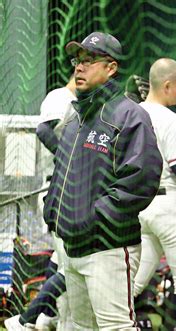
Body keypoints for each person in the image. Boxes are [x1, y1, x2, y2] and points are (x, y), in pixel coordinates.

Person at [42, 31, 162, 329]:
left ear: (111, 68)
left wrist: (91, 219)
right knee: (82, 326)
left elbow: (139, 182)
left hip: (107, 247)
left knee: (116, 327)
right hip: (72, 246)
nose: (79, 67)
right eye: (77, 60)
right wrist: (54, 208)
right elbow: (62, 169)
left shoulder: (129, 115)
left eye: (89, 60)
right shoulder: (75, 115)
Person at [5, 77, 77, 330]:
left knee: (61, 260)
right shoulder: (61, 96)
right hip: (57, 187)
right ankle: (26, 319)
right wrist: (71, 161)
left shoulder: (79, 101)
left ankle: (44, 317)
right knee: (70, 264)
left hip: (64, 185)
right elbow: (44, 130)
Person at [133, 58, 176, 327]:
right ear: (168, 85)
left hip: (140, 205)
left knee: (137, 279)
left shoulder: (130, 112)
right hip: (170, 202)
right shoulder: (172, 120)